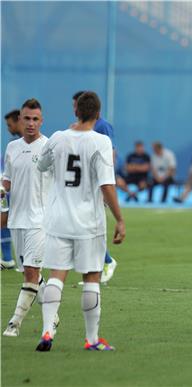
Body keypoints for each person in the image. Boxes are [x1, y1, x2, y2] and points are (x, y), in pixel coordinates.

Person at [35, 91, 125, 352]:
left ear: (76, 111)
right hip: (89, 221)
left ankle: (47, 332)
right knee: (91, 278)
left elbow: (41, 166)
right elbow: (107, 185)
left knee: (55, 276)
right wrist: (120, 219)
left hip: (58, 218)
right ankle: (92, 339)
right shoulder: (100, 142)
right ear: (97, 115)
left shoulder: (57, 138)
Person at [2, 99, 54, 337]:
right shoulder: (12, 148)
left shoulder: (50, 147)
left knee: (32, 271)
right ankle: (52, 318)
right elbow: (7, 183)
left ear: (41, 121)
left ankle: (14, 323)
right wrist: (2, 200)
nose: (31, 123)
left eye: (35, 119)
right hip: (17, 220)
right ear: (20, 120)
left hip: (41, 221)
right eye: (27, 119)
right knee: (31, 274)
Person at [72, 91, 118, 283]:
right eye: (74, 105)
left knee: (90, 227)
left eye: (77, 105)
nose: (75, 109)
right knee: (82, 227)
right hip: (82, 187)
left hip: (98, 186)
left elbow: (110, 154)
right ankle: (100, 265)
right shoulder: (79, 129)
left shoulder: (102, 126)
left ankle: (104, 263)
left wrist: (105, 184)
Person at [1, 110, 22, 270]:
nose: (8, 128)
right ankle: (8, 258)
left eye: (10, 125)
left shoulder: (34, 143)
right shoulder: (14, 144)